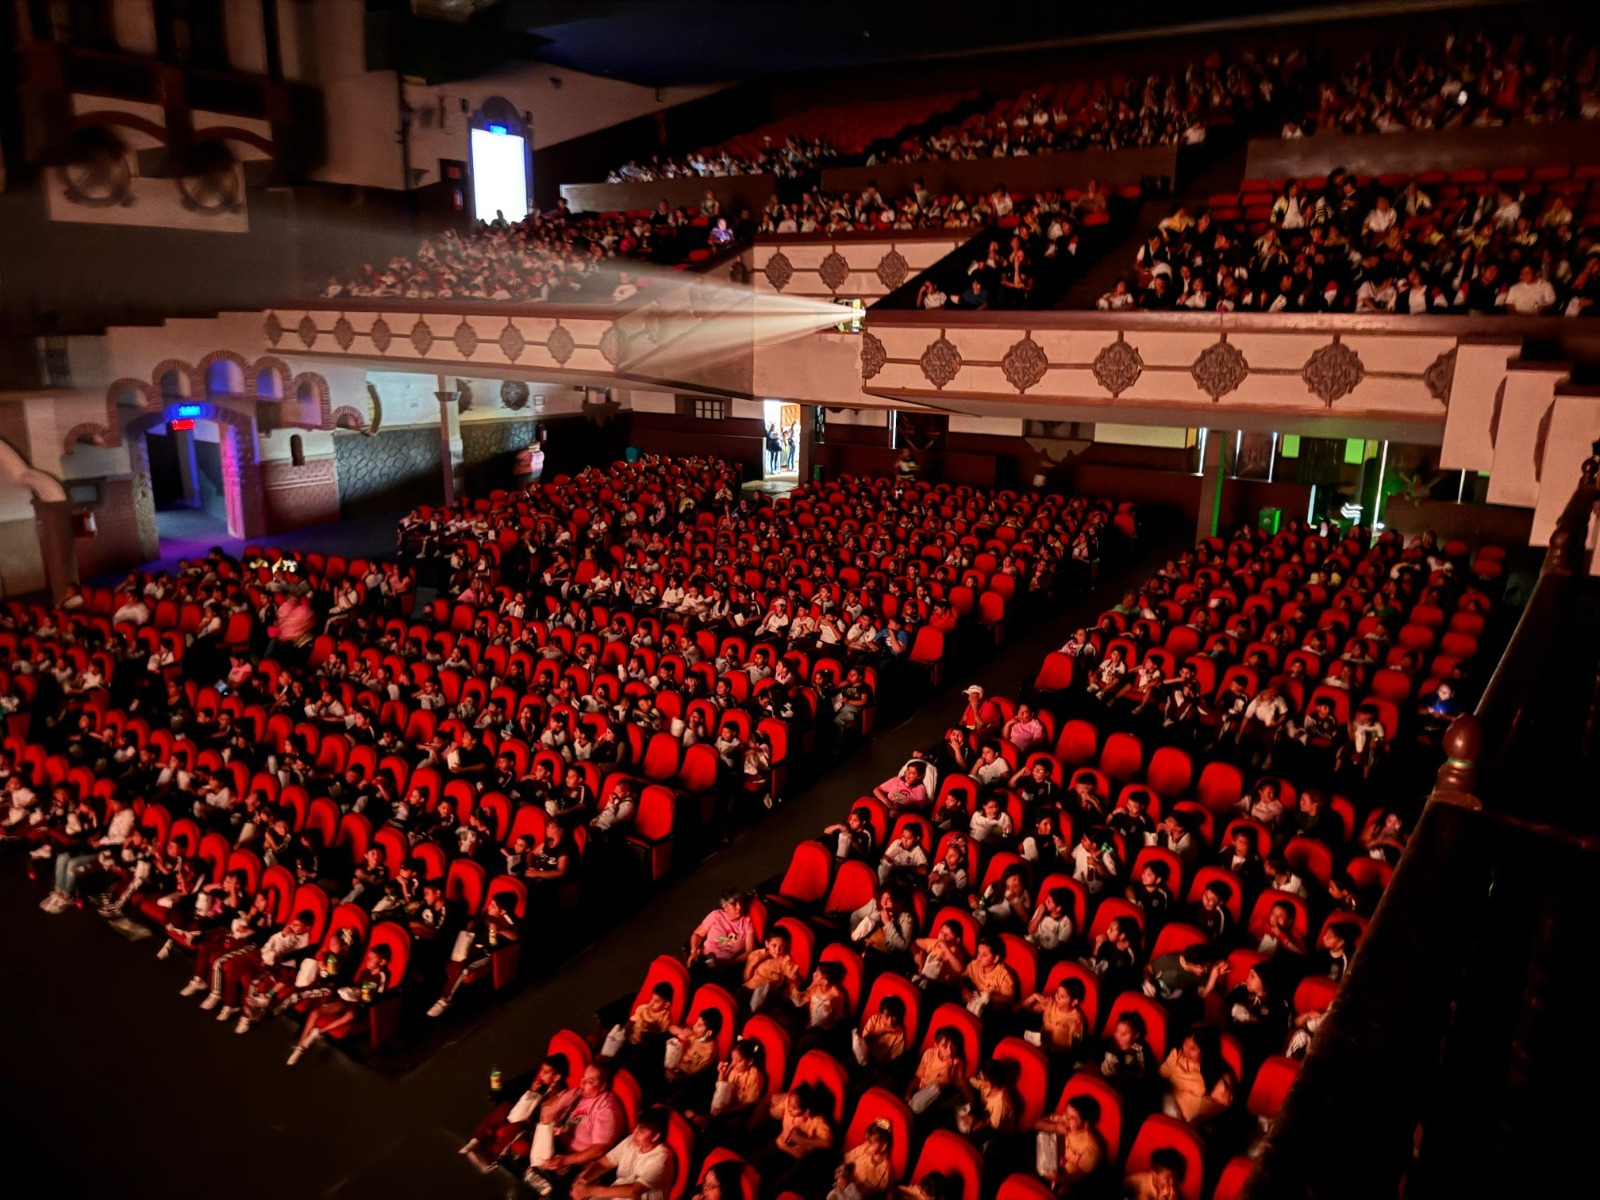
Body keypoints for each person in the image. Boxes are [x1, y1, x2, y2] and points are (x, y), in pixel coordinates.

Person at [524, 1064, 629, 1196]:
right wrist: (548, 1113)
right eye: (583, 1078)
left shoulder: (606, 1109)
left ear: (602, 1086)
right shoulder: (577, 1093)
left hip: (577, 1160)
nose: (583, 1083)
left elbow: (600, 1148)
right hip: (558, 1146)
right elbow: (553, 1111)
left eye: (590, 1081)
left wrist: (566, 1160)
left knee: (552, 1189)